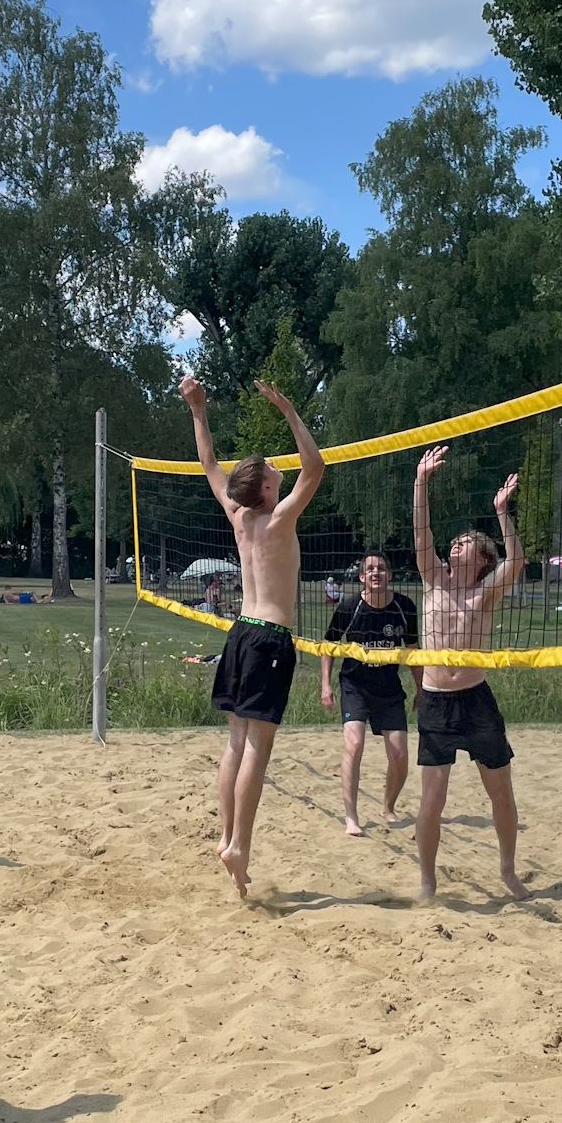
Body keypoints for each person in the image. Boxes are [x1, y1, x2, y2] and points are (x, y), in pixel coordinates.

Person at [183, 373, 324, 897]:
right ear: (267, 488)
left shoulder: (240, 515)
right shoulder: (277, 519)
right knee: (257, 752)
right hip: (268, 638)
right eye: (269, 467)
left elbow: (209, 465)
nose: (274, 464)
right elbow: (315, 466)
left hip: (240, 632)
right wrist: (289, 410)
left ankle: (226, 837)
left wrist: (199, 410)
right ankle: (239, 843)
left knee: (235, 742)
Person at [412, 447, 528, 903]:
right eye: (454, 543)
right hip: (436, 702)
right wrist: (421, 482)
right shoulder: (431, 579)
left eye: (463, 545)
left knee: (500, 794)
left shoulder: (483, 594)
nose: (453, 547)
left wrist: (502, 513)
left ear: (481, 560)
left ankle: (508, 871)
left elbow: (516, 562)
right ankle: (427, 881)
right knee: (431, 802)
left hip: (476, 700)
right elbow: (423, 533)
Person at [318, 550, 421, 837]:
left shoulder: (404, 607)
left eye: (382, 568)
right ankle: (351, 817)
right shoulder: (349, 608)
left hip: (388, 689)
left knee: (400, 754)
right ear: (362, 577)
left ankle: (388, 807)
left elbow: (413, 653)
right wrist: (326, 685)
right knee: (354, 744)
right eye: (370, 569)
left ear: (389, 575)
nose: (376, 573)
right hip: (355, 686)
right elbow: (327, 646)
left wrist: (421, 689)